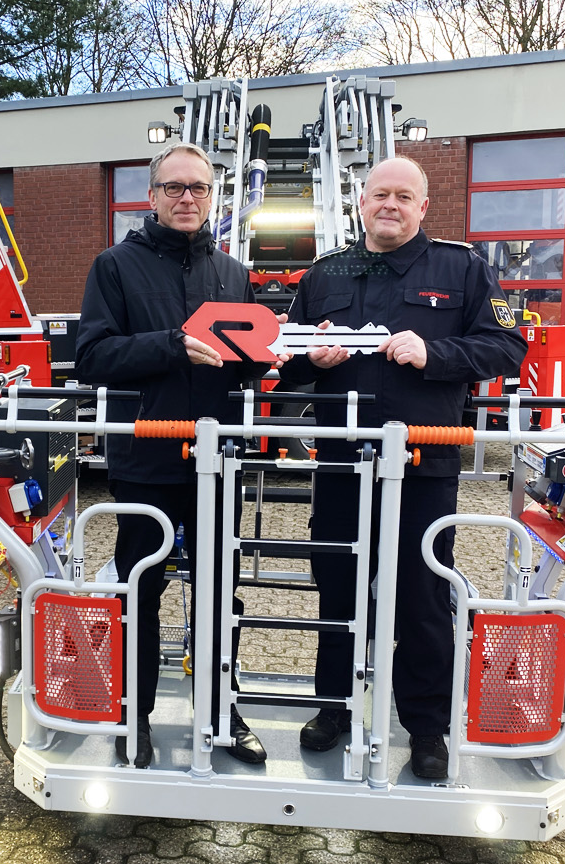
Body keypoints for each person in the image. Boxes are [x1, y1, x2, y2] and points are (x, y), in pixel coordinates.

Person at [276, 155, 527, 779]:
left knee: (418, 595)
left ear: (422, 206)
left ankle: (425, 728)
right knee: (337, 587)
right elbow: (287, 358)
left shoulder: (462, 268)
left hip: (422, 464)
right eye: (379, 194)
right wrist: (315, 359)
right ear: (362, 202)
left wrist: (434, 352)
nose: (390, 205)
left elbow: (508, 344)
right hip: (341, 464)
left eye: (403, 196)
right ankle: (333, 706)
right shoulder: (325, 274)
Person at [76, 142, 267, 769]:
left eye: (200, 188)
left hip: (219, 460)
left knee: (220, 591)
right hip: (147, 459)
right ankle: (137, 717)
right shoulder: (115, 266)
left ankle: (222, 710)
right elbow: (93, 357)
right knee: (142, 588)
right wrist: (170, 346)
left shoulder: (233, 273)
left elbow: (242, 368)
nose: (188, 198)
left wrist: (271, 361)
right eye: (175, 187)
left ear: (213, 197)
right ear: (152, 197)